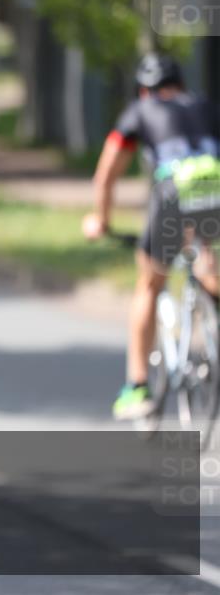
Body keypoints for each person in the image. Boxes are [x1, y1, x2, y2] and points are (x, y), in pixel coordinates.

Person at [83, 53, 220, 419]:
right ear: (181, 85)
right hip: (214, 189)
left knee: (149, 283)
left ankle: (137, 386)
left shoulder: (139, 110)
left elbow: (107, 172)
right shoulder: (205, 104)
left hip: (174, 192)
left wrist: (101, 219)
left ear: (143, 90)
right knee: (209, 267)